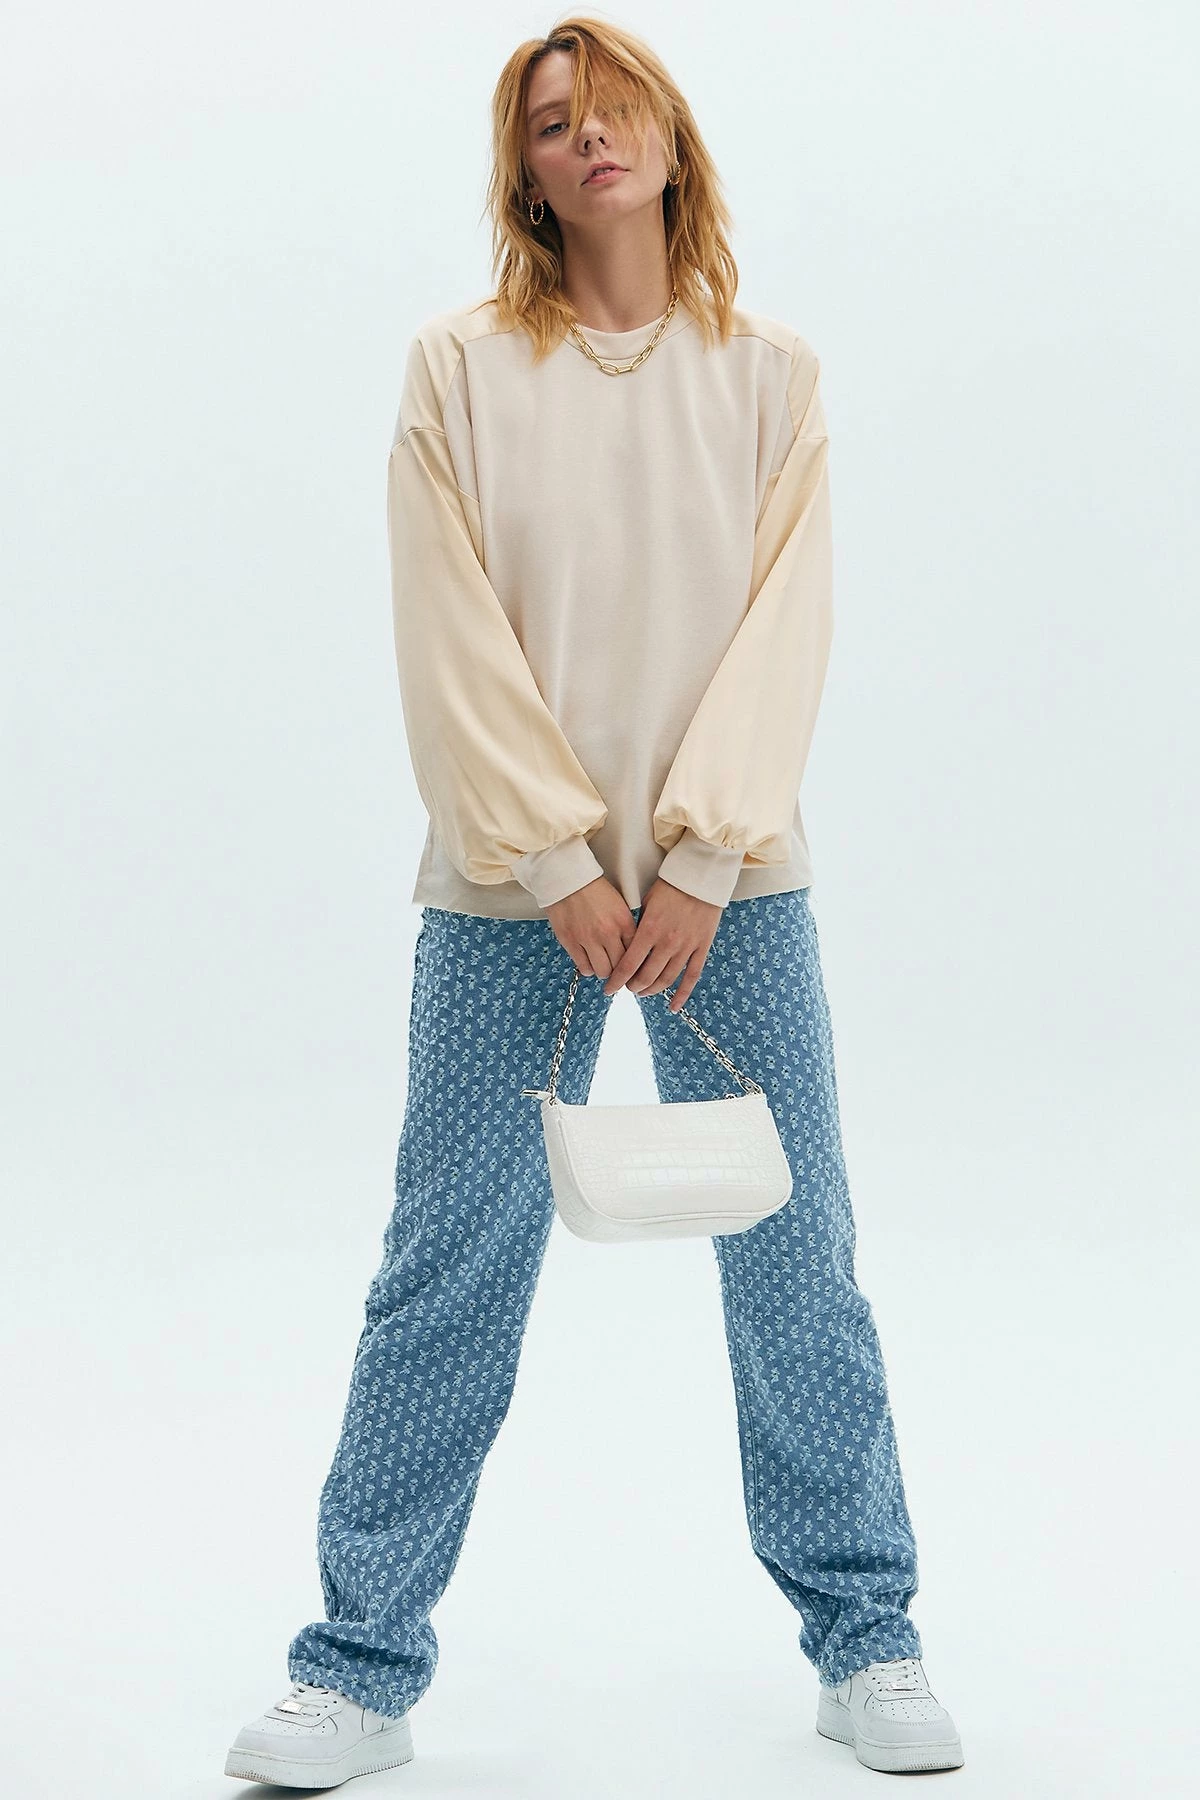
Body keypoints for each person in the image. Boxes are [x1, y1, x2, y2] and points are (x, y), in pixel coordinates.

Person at [224, 14, 964, 1787]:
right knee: (447, 1269)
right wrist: (556, 858)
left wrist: (700, 859)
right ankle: (358, 1667)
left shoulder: (771, 374)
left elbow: (789, 623)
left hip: (734, 893)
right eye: (553, 123)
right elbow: (447, 627)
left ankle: (868, 1638)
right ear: (528, 174)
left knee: (796, 1258)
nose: (589, 137)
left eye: (614, 107)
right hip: (510, 895)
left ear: (670, 137)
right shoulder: (460, 368)